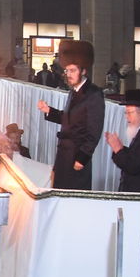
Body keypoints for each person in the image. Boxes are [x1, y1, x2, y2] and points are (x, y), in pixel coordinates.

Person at [37, 39, 104, 190]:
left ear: (84, 71)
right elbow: (68, 119)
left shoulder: (93, 94)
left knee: (73, 197)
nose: (68, 74)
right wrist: (49, 111)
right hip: (63, 155)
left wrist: (82, 158)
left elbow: (94, 131)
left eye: (73, 70)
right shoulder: (73, 92)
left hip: (77, 157)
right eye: (67, 71)